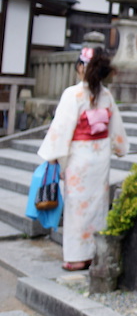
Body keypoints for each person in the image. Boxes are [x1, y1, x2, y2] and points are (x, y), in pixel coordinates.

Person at [38, 47, 128, 271]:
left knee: (77, 207)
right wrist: (119, 148)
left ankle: (77, 256)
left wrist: (52, 156)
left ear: (80, 67)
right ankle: (94, 254)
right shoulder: (106, 96)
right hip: (100, 157)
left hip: (79, 158)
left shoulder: (73, 94)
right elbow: (116, 131)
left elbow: (61, 128)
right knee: (97, 206)